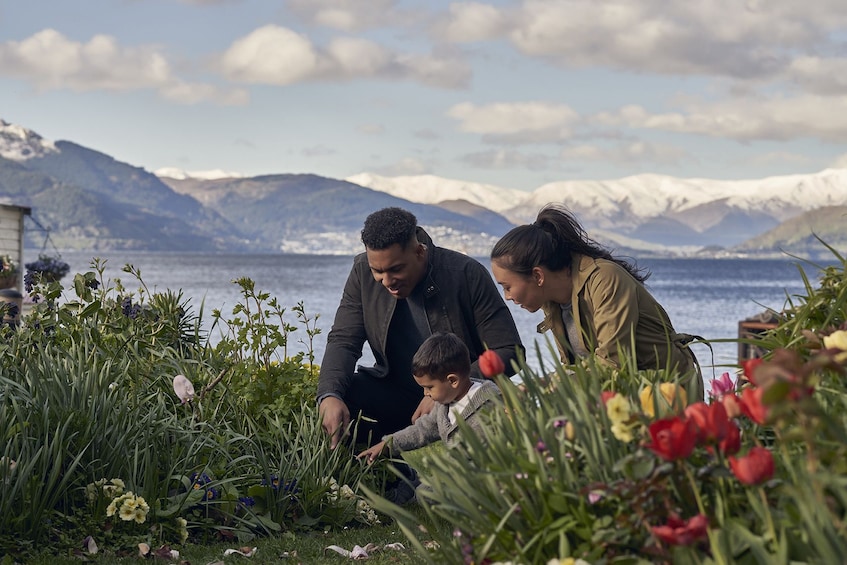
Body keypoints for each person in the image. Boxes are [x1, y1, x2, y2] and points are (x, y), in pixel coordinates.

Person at [317, 207, 523, 449]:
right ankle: (384, 479)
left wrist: (445, 392)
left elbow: (509, 350)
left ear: (419, 252)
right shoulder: (361, 272)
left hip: (462, 393)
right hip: (397, 391)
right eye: (378, 271)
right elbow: (343, 340)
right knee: (342, 397)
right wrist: (329, 394)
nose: (386, 281)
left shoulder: (466, 273)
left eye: (396, 269)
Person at [490, 204, 704, 402]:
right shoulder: (551, 300)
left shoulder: (605, 279)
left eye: (507, 286)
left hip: (667, 394)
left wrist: (541, 389)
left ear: (538, 276)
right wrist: (532, 387)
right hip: (622, 397)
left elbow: (613, 364)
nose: (507, 296)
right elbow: (577, 368)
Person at [357, 332, 501, 464]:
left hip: (483, 480)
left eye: (429, 387)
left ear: (452, 380)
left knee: (424, 490)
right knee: (419, 490)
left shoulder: (489, 404)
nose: (426, 394)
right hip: (455, 477)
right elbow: (423, 430)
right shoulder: (445, 403)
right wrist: (388, 444)